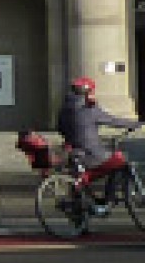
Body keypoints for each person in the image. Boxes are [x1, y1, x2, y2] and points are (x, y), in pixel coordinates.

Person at [57, 77, 136, 207]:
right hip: (92, 153)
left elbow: (60, 129)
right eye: (92, 91)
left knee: (80, 179)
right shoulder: (89, 109)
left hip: (74, 153)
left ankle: (81, 220)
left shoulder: (65, 108)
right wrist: (136, 124)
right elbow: (112, 120)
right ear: (88, 93)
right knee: (120, 161)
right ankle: (108, 199)